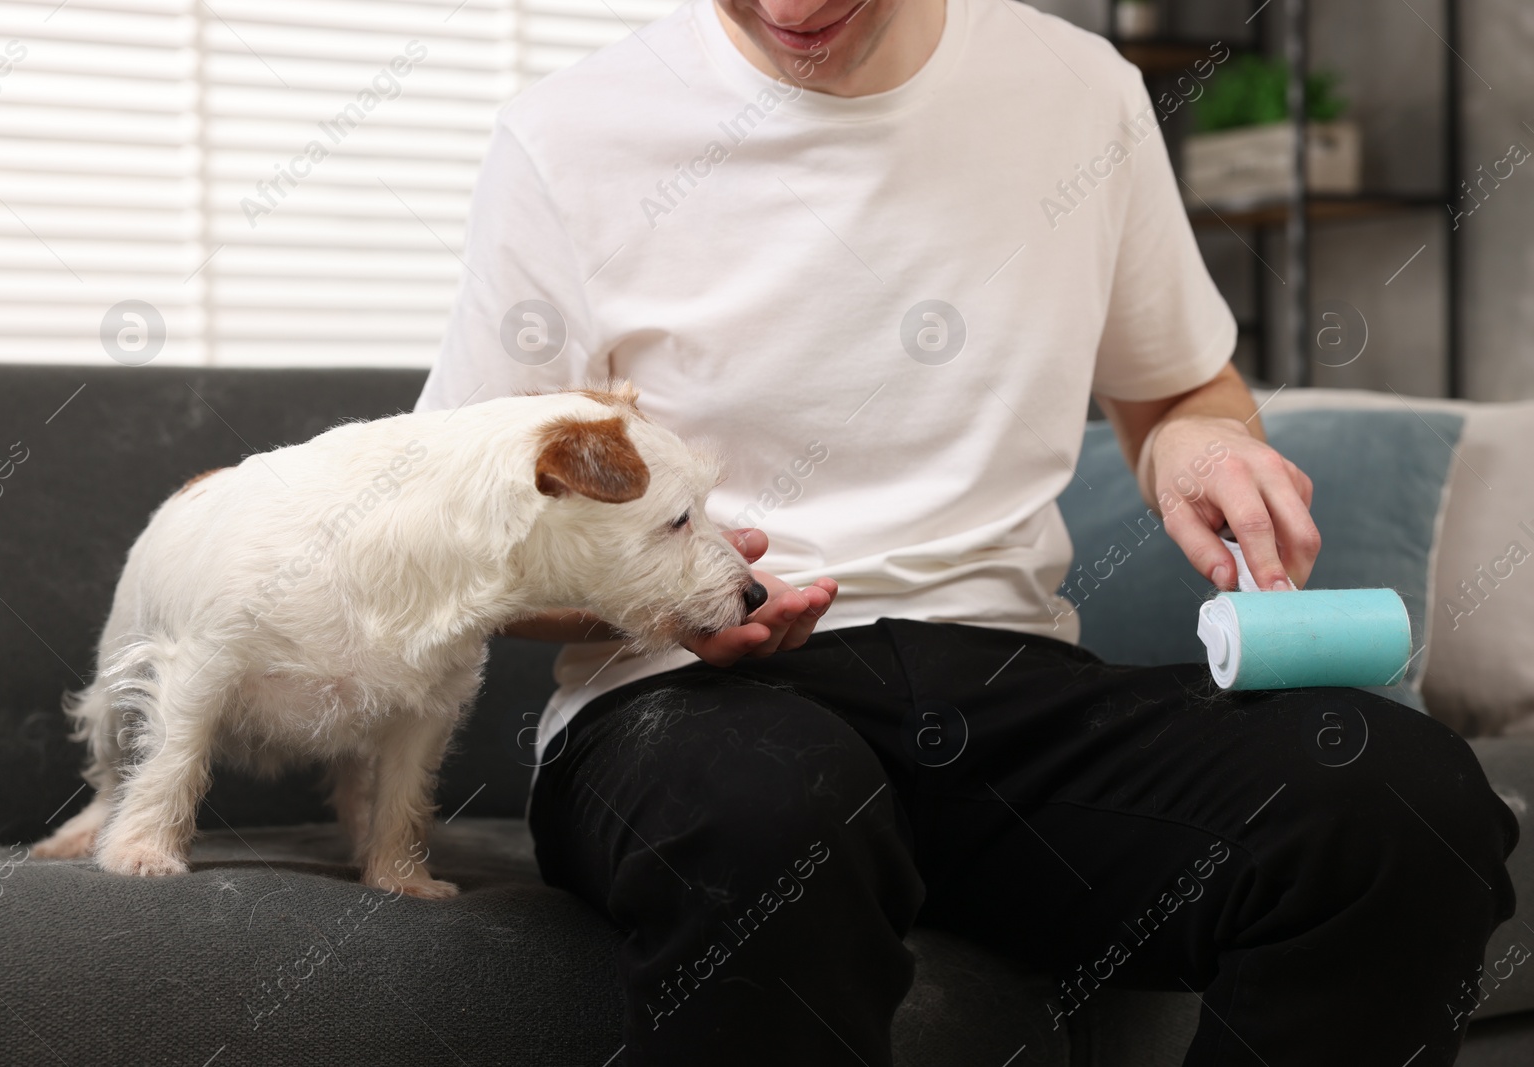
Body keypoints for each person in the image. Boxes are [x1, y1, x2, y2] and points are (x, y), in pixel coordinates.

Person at [416, 0, 1518, 1062]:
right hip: (681, 706)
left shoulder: (1081, 94)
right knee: (774, 809)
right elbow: (468, 541)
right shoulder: (569, 137)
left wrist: (1199, 443)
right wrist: (664, 595)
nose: (792, 7)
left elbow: (1181, 389)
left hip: (1007, 689)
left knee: (1395, 801)